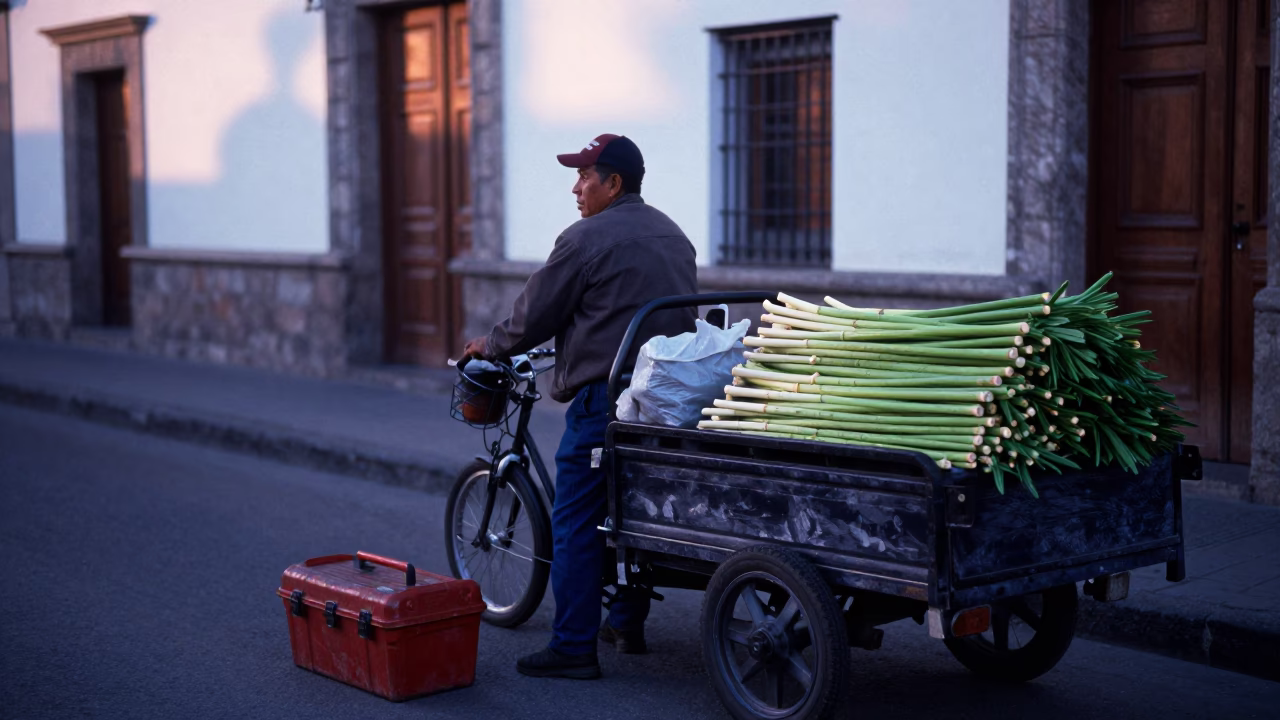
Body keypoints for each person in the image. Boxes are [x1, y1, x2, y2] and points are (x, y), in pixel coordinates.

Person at [463, 134, 698, 680]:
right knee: (633, 509)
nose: (576, 187)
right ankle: (626, 620)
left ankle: (572, 646)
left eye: (585, 176)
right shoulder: (674, 234)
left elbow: (532, 318)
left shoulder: (584, 238)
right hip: (667, 398)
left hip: (607, 401)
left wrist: (489, 344)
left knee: (575, 520)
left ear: (613, 183)